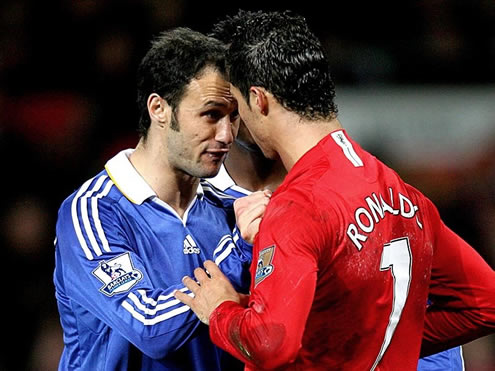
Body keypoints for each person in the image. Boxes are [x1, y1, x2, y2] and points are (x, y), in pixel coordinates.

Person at [174, 10, 495, 370]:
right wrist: (362, 340)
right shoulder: (403, 194)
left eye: (236, 107)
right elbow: (485, 305)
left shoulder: (297, 206)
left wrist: (221, 310)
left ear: (259, 100)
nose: (233, 128)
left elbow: (270, 345)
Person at [53, 27, 270, 370]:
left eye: (233, 117)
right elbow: (150, 328)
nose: (227, 135)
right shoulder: (94, 211)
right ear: (159, 109)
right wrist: (239, 251)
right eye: (211, 115)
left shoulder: (236, 209)